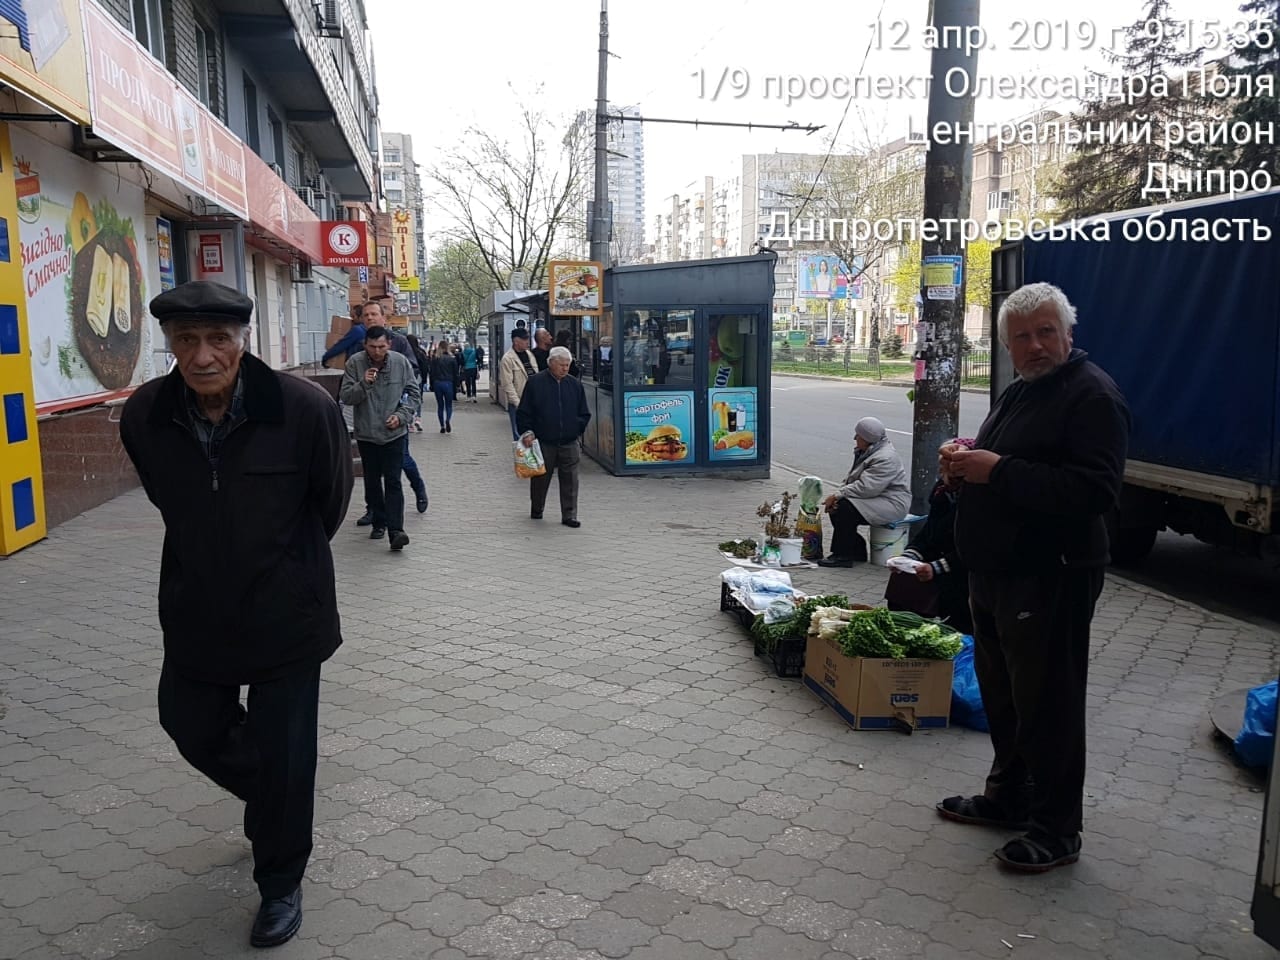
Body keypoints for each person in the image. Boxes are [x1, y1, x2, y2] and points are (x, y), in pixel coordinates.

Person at [119, 280, 352, 949]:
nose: (202, 355)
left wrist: (285, 564)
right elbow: (170, 498)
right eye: (186, 341)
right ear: (170, 345)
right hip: (196, 608)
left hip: (287, 614)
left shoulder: (303, 410)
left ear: (242, 341)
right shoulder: (147, 415)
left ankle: (279, 882)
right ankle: (277, 797)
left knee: (285, 748)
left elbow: (329, 500)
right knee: (189, 723)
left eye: (217, 339)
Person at [935, 282, 1130, 874]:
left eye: (1046, 331)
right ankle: (1009, 797)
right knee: (1005, 698)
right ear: (1008, 346)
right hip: (998, 574)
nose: (1035, 344)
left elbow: (1095, 490)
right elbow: (1007, 464)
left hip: (1051, 575)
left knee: (1049, 703)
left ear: (1069, 334)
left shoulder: (1091, 395)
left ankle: (1056, 828)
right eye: (1022, 336)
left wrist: (998, 470)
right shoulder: (1023, 390)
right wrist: (966, 463)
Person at [339, 324, 421, 549]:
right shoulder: (355, 363)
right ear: (365, 345)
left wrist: (402, 416)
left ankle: (396, 531)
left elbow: (414, 393)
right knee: (373, 482)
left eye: (382, 347)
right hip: (367, 434)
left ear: (389, 345)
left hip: (394, 433)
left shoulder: (400, 362)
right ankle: (379, 521)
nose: (377, 351)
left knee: (393, 480)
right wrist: (364, 383)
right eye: (373, 347)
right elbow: (346, 396)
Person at [359, 301, 427, 516]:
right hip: (368, 416)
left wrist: (403, 411)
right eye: (366, 315)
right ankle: (373, 510)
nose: (370, 318)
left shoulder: (398, 341)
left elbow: (412, 373)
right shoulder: (360, 344)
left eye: (374, 314)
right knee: (371, 472)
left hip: (395, 415)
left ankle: (418, 488)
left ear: (383, 317)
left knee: (402, 459)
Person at [888, 467, 974, 635]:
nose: (941, 471)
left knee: (959, 624)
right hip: (939, 562)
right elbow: (928, 534)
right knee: (901, 580)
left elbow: (973, 549)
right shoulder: (942, 494)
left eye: (947, 467)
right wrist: (908, 557)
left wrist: (935, 568)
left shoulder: (976, 502)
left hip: (964, 572)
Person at [818, 417, 911, 566]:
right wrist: (838, 495)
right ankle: (856, 550)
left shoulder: (885, 457)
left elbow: (867, 488)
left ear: (867, 439)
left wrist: (837, 495)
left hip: (893, 503)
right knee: (838, 506)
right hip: (878, 497)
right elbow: (853, 480)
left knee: (845, 509)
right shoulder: (869, 451)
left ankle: (842, 556)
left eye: (858, 436)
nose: (855, 438)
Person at [517, 346, 591, 527]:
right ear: (551, 363)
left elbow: (584, 413)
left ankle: (569, 515)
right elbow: (524, 411)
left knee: (571, 480)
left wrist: (576, 429)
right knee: (541, 479)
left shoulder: (574, 384)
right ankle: (537, 508)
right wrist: (527, 431)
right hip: (543, 440)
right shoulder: (535, 383)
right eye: (562, 365)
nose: (565, 369)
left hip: (569, 441)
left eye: (567, 365)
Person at [498, 327, 539, 440]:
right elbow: (507, 384)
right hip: (519, 402)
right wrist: (518, 404)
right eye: (524, 339)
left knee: (534, 434)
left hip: (534, 400)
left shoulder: (530, 355)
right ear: (516, 341)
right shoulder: (508, 359)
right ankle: (521, 458)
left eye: (528, 338)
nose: (527, 342)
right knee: (520, 436)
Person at [428, 340, 460, 433]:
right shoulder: (452, 359)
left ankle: (442, 425)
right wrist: (457, 385)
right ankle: (448, 420)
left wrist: (431, 385)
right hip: (448, 383)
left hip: (437, 383)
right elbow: (455, 373)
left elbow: (431, 373)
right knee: (449, 405)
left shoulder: (435, 359)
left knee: (440, 406)